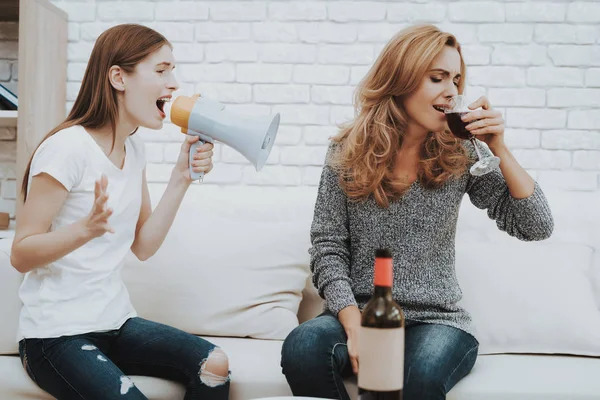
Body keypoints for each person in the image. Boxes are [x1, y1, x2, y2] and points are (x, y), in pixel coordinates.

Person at [280, 24, 554, 400]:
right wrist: (354, 323)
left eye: (456, 80)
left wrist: (500, 149)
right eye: (437, 78)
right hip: (357, 313)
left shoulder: (463, 152)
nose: (452, 91)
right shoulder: (347, 151)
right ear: (402, 79)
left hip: (436, 322)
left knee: (420, 377)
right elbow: (327, 247)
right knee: (303, 346)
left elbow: (536, 226)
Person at [11, 24, 230, 400]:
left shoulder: (135, 149)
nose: (173, 83)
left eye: (172, 71)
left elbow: (143, 246)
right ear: (118, 77)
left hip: (114, 320)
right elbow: (21, 253)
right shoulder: (67, 148)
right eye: (161, 71)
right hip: (55, 334)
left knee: (214, 364)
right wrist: (85, 230)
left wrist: (181, 177)